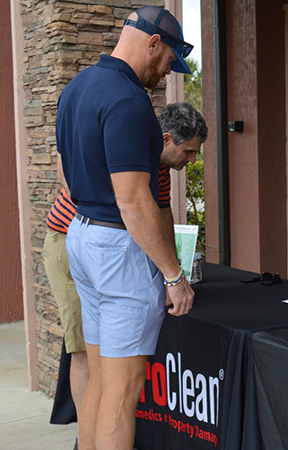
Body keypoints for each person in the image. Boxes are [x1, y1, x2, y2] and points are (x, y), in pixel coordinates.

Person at [56, 7, 195, 449]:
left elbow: (65, 175)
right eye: (168, 59)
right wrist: (174, 276)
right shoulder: (129, 100)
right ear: (152, 42)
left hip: (81, 231)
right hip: (117, 246)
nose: (166, 70)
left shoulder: (76, 88)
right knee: (121, 394)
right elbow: (135, 201)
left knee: (100, 382)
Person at [44, 101, 206, 445]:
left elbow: (161, 215)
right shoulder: (129, 152)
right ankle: (85, 440)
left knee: (107, 368)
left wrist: (172, 270)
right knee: (85, 354)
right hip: (69, 243)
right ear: (165, 139)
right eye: (189, 151)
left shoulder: (160, 168)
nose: (191, 160)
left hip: (108, 257)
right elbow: (122, 207)